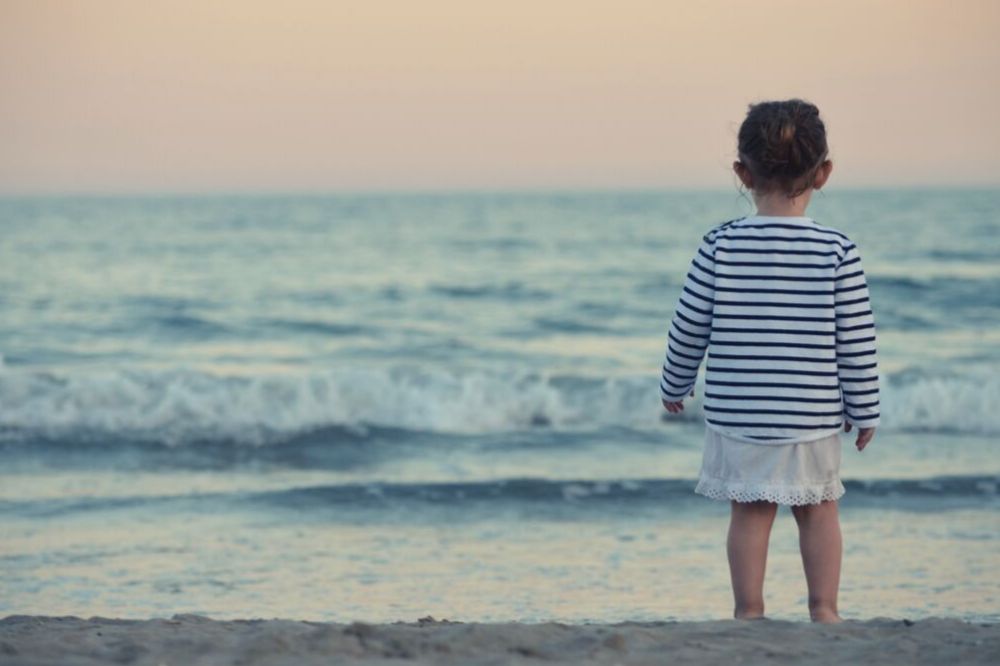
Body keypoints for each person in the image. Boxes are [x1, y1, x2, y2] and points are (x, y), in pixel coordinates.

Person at [658, 98, 880, 623]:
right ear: (823, 173)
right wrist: (865, 409)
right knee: (819, 510)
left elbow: (689, 325)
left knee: (750, 514)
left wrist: (675, 382)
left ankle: (748, 611)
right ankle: (824, 611)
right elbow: (856, 341)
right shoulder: (837, 250)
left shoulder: (719, 245)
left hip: (741, 415)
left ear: (742, 172)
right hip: (811, 415)